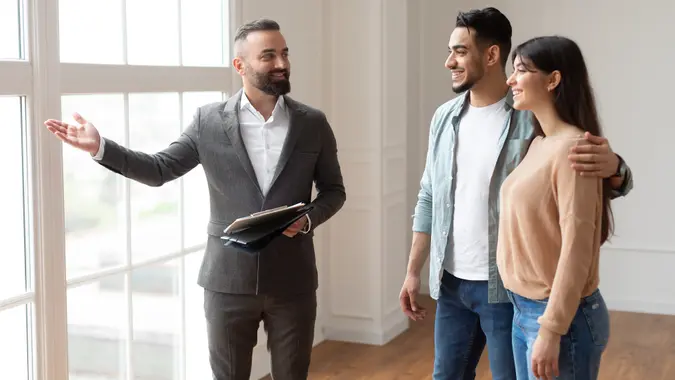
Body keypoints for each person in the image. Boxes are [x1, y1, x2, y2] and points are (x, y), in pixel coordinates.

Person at [44, 19, 346, 380]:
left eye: (284, 53)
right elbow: (159, 169)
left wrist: (308, 218)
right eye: (268, 56)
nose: (281, 63)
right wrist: (100, 147)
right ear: (240, 66)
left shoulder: (312, 122)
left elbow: (333, 190)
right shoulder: (209, 122)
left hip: (292, 281)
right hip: (226, 283)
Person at [398, 7, 633, 380]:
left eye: (459, 51)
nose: (448, 62)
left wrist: (615, 167)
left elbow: (584, 178)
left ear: (491, 55)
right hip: (452, 283)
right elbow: (428, 195)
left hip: (505, 288)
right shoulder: (444, 118)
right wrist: (413, 271)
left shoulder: (533, 115)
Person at [497, 35, 612, 380]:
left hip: (559, 319)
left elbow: (576, 248)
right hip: (523, 311)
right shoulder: (539, 144)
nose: (510, 80)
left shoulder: (574, 149)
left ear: (553, 79)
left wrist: (551, 329)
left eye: (520, 70)